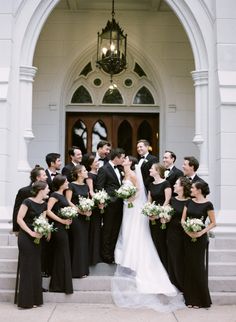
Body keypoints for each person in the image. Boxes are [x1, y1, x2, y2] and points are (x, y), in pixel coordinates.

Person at [112, 156, 184, 312]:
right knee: (126, 231)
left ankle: (134, 258)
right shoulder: (125, 174)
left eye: (125, 159)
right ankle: (126, 255)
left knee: (135, 232)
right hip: (127, 208)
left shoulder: (132, 174)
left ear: (129, 163)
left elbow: (138, 192)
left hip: (133, 207)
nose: (123, 160)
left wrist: (129, 197)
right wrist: (125, 198)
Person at [181, 180, 216, 308]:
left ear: (199, 190)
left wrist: (201, 233)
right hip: (187, 238)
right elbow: (183, 220)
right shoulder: (189, 202)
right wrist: (188, 231)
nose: (191, 190)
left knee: (198, 267)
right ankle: (189, 299)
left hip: (200, 239)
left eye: (193, 188)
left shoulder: (208, 204)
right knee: (188, 267)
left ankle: (201, 300)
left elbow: (213, 222)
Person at [16, 181, 49, 309]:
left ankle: (35, 299)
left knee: (36, 267)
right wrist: (31, 232)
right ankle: (25, 302)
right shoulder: (27, 202)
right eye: (47, 188)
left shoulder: (44, 205)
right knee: (27, 268)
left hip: (37, 238)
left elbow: (43, 221)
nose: (48, 190)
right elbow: (19, 219)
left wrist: (44, 231)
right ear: (41, 190)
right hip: (25, 237)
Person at [96, 148, 125, 264]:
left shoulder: (120, 169)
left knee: (115, 230)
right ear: (116, 157)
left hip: (120, 205)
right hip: (110, 205)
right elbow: (99, 187)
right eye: (122, 157)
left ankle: (112, 254)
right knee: (107, 230)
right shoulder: (104, 169)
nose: (123, 159)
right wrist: (105, 201)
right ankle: (105, 255)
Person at [47, 175, 74, 294]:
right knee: (61, 254)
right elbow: (47, 211)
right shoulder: (54, 195)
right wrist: (62, 220)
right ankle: (57, 285)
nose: (68, 182)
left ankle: (60, 284)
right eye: (66, 181)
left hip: (64, 227)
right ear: (60, 183)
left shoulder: (62, 195)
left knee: (63, 254)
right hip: (58, 227)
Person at [66, 164, 91, 278]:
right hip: (76, 217)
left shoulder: (86, 186)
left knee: (84, 242)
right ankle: (76, 271)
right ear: (79, 173)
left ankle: (83, 269)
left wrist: (89, 209)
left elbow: (88, 200)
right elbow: (68, 201)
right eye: (85, 170)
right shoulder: (71, 185)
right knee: (78, 242)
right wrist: (79, 211)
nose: (87, 172)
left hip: (85, 217)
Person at [167, 177, 191, 291]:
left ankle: (185, 284)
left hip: (186, 233)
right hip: (173, 233)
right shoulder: (172, 200)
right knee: (174, 258)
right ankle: (176, 284)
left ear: (182, 187)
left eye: (176, 184)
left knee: (184, 259)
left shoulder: (190, 201)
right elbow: (168, 216)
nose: (174, 185)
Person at [147, 163, 172, 271]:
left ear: (157, 171)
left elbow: (167, 200)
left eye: (151, 169)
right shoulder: (151, 184)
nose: (149, 170)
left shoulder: (166, 183)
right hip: (152, 216)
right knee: (154, 240)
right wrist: (149, 212)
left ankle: (164, 267)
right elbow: (149, 201)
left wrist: (159, 213)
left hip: (163, 217)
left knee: (162, 241)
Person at [12, 166, 48, 234]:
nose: (47, 177)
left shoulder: (45, 190)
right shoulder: (23, 191)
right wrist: (16, 229)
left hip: (39, 229)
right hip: (25, 228)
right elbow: (16, 209)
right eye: (44, 175)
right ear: (38, 178)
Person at [82, 153, 101, 265]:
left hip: (99, 206)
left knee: (97, 230)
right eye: (96, 161)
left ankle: (96, 255)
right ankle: (92, 257)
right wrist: (100, 200)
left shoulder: (98, 173)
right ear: (90, 164)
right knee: (94, 230)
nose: (98, 162)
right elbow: (91, 191)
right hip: (94, 206)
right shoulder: (89, 175)